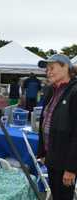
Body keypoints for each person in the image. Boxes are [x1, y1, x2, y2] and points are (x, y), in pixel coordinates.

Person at [37, 54, 77, 200]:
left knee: (64, 197)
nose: (48, 72)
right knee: (55, 195)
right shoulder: (51, 90)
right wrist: (41, 151)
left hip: (65, 161)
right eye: (47, 69)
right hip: (51, 157)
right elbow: (45, 120)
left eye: (52, 68)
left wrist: (71, 169)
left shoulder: (75, 91)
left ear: (66, 67)